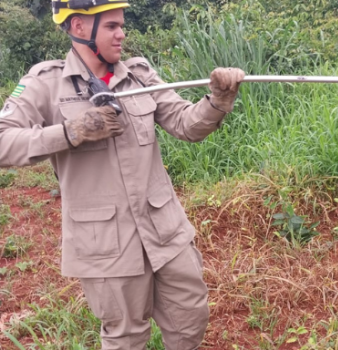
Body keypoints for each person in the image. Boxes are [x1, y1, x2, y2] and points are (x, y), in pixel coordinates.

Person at [0, 0, 245, 348]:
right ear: (79, 27)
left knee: (191, 318)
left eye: (121, 25)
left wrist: (218, 101)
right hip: (105, 245)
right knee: (126, 337)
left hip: (165, 231)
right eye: (112, 26)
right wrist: (71, 132)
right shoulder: (45, 84)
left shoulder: (138, 75)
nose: (122, 34)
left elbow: (186, 124)